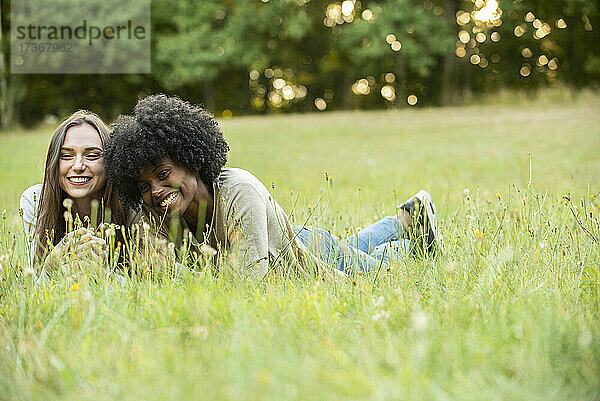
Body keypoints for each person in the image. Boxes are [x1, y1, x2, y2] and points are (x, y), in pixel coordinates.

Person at [104, 94, 440, 279]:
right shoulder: (158, 214)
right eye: (144, 185)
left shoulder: (238, 190)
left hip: (304, 251)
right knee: (353, 248)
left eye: (163, 173)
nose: (156, 190)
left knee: (378, 269)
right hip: (287, 237)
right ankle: (408, 219)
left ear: (190, 159)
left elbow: (251, 284)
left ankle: (410, 236)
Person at [20, 110, 126, 270]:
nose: (78, 166)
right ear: (54, 162)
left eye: (92, 155)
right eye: (66, 156)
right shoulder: (34, 200)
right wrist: (51, 266)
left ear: (110, 162)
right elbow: (35, 285)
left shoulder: (129, 202)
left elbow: (145, 281)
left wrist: (102, 276)